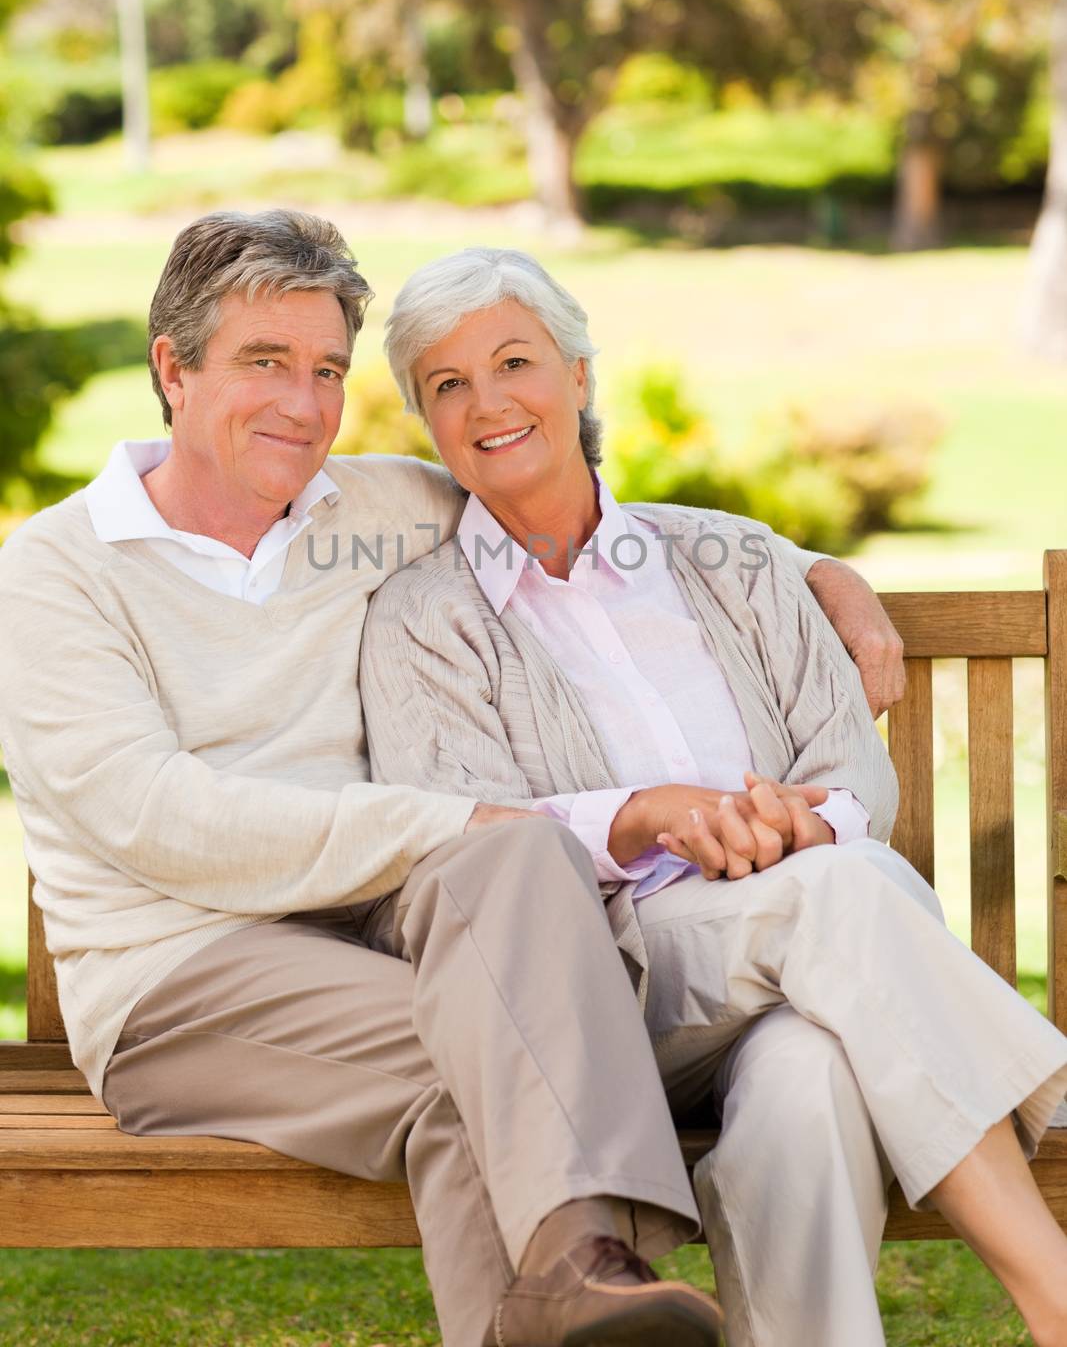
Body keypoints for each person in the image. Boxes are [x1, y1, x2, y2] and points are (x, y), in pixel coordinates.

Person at [0, 209, 905, 1347]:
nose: (300, 403)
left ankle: (577, 1284)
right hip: (176, 975)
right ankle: (582, 1269)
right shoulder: (54, 572)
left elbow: (580, 502)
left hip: (377, 939)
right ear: (171, 369)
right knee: (483, 1061)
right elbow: (158, 818)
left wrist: (816, 570)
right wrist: (451, 821)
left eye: (326, 370)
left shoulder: (369, 510)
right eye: (263, 362)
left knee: (517, 866)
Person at [359, 244, 1067, 1347]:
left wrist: (796, 821)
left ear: (580, 374)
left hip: (801, 976)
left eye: (515, 361)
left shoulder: (730, 559)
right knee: (839, 894)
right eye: (447, 385)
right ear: (425, 421)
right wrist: (645, 815)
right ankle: (1052, 1292)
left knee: (807, 1083)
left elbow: (850, 768)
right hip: (603, 991)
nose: (488, 403)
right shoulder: (422, 619)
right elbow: (459, 835)